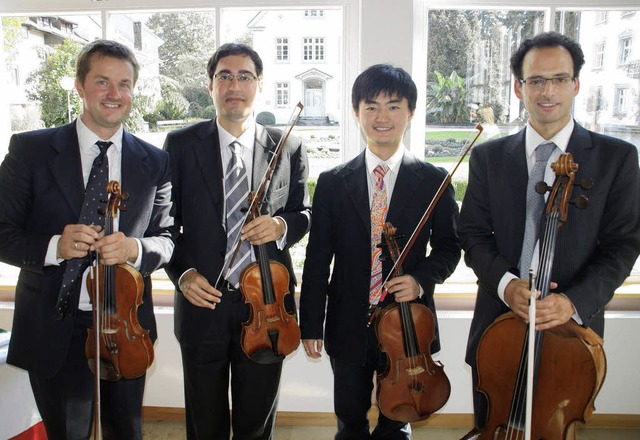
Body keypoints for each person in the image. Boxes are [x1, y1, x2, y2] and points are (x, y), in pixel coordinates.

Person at [458, 32, 640, 439]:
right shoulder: (488, 157)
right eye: (536, 81)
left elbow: (622, 246)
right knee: (494, 424)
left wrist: (573, 301)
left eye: (559, 79)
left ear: (576, 84)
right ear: (519, 87)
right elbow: (471, 233)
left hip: (571, 337)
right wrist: (505, 285)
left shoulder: (617, 158)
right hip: (497, 332)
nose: (547, 92)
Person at [0, 39, 175, 439]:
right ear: (80, 86)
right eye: (102, 82)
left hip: (124, 325)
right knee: (68, 433)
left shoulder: (155, 161)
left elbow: (166, 238)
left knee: (125, 432)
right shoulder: (30, 150)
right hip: (54, 324)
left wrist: (135, 249)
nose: (115, 95)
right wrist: (52, 246)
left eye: (125, 84)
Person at [299, 64, 461, 439]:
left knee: (397, 421)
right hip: (347, 322)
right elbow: (317, 258)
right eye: (371, 106)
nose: (382, 117)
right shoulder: (332, 183)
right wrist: (310, 323)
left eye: (393, 106)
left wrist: (421, 279)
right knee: (350, 420)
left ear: (410, 113)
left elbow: (451, 247)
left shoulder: (435, 181)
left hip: (407, 324)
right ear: (356, 113)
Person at [163, 43, 311, 439]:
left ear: (258, 85)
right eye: (224, 76)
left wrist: (280, 226)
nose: (234, 85)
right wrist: (183, 274)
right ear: (210, 85)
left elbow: (304, 213)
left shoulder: (288, 145)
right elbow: (163, 226)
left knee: (256, 422)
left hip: (268, 306)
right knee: (204, 422)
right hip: (202, 303)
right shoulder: (180, 145)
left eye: (244, 76)